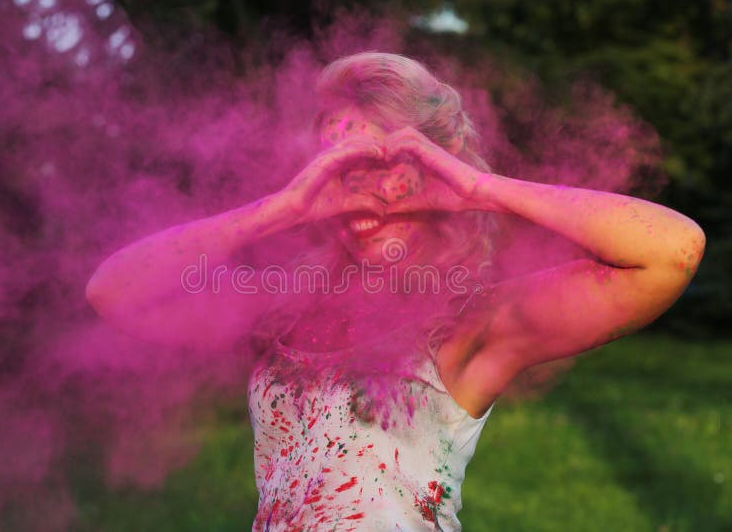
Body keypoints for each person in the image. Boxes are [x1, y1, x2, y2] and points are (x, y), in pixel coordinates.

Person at [85, 52, 706, 531]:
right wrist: (280, 208)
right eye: (336, 167)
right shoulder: (282, 306)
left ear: (436, 164)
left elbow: (670, 252)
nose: (360, 196)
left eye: (383, 170)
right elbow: (113, 292)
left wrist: (473, 189)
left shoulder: (473, 322)